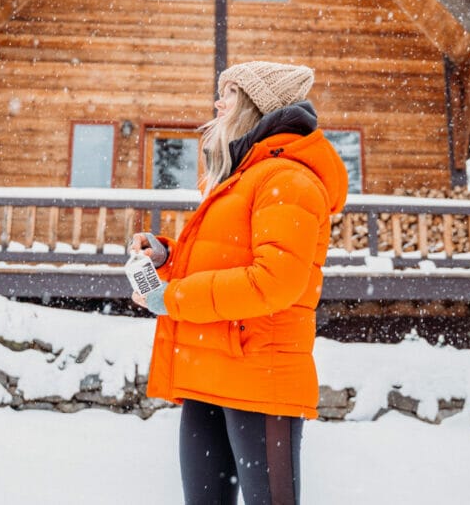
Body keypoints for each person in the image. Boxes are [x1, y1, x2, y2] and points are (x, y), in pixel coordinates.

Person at [130, 61, 348, 505]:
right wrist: (169, 257)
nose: (218, 102)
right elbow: (226, 256)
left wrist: (172, 298)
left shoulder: (288, 179)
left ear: (254, 105)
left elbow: (273, 282)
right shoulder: (242, 177)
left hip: (261, 377)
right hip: (213, 370)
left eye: (228, 93)